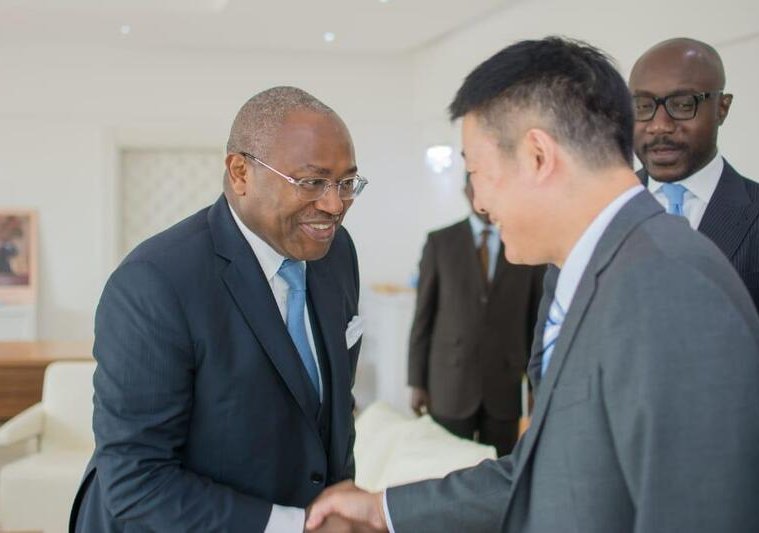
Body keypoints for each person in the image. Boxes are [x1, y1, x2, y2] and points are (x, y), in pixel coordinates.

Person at [305, 37, 759, 533]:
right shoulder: (571, 272)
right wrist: (383, 510)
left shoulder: (673, 286)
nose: (479, 202)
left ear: (538, 156)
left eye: (478, 172)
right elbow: (548, 469)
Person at [70, 86, 369, 532]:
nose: (334, 205)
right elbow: (137, 480)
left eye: (347, 183)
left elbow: (331, 411)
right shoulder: (155, 282)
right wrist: (295, 526)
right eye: (311, 182)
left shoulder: (336, 253)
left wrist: (338, 506)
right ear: (240, 172)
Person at [408, 172, 543, 456]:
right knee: (446, 464)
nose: (483, 197)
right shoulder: (440, 243)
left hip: (504, 387)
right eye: (476, 188)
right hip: (449, 386)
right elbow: (423, 318)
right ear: (466, 191)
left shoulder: (526, 242)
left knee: (498, 466)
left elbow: (535, 322)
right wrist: (417, 381)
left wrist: (535, 385)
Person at [630, 37, 759, 311]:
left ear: (722, 108)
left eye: (683, 104)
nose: (659, 125)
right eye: (643, 106)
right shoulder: (596, 215)